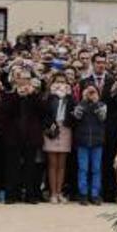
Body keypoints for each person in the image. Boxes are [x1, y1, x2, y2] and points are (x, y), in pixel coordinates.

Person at [0, 72, 44, 203]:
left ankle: (30, 195)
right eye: (21, 78)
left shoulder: (35, 95)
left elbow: (44, 112)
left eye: (27, 79)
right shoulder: (8, 96)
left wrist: (33, 95)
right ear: (15, 80)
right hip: (13, 137)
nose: (24, 81)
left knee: (31, 167)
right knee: (12, 167)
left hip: (31, 137)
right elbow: (4, 114)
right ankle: (12, 195)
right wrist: (18, 96)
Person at [71, 84, 107, 204]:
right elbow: (77, 116)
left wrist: (95, 102)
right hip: (83, 141)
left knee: (96, 169)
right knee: (83, 168)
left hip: (97, 141)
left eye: (93, 92)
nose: (91, 94)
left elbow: (102, 117)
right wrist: (84, 101)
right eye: (89, 92)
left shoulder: (102, 105)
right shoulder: (80, 105)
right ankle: (83, 193)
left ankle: (95, 194)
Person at [42, 72, 73, 202]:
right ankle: (53, 193)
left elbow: (73, 113)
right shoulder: (49, 97)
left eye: (63, 81)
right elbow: (44, 113)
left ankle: (60, 192)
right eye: (58, 81)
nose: (60, 84)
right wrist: (50, 125)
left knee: (62, 164)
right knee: (52, 163)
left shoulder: (70, 97)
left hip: (65, 129)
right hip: (52, 128)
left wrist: (69, 96)